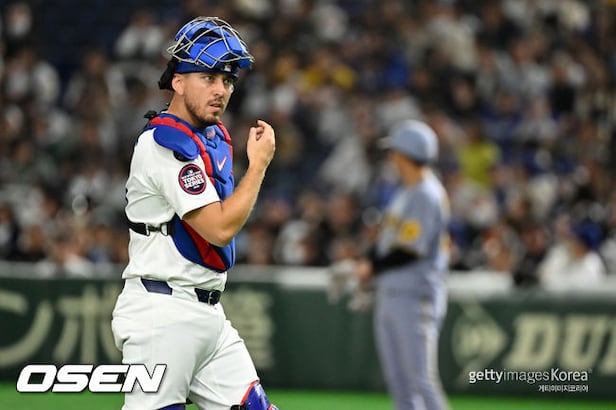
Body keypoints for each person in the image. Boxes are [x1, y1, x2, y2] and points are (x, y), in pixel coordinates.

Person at [111, 17, 278, 410]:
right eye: (208, 77)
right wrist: (258, 166)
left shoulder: (210, 138)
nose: (221, 89)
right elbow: (218, 229)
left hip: (209, 315)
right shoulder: (164, 143)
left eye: (228, 80)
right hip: (163, 314)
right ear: (178, 81)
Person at [355, 119, 451, 410]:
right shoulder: (408, 191)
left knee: (422, 382)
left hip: (414, 296)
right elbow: (389, 242)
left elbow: (410, 251)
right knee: (401, 384)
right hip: (394, 293)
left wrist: (371, 267)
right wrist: (368, 262)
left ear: (405, 154)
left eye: (395, 151)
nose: (392, 156)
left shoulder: (426, 194)